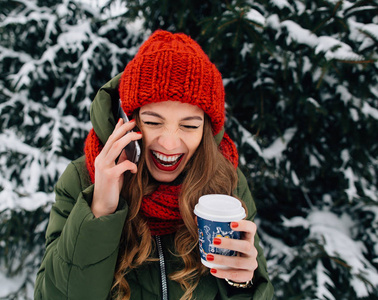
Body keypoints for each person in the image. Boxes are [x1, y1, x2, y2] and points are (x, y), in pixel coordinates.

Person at [34, 30, 274, 300]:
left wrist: (242, 282)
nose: (170, 144)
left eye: (189, 125)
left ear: (206, 130)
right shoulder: (83, 179)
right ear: (128, 119)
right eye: (153, 122)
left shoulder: (226, 182)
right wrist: (100, 208)